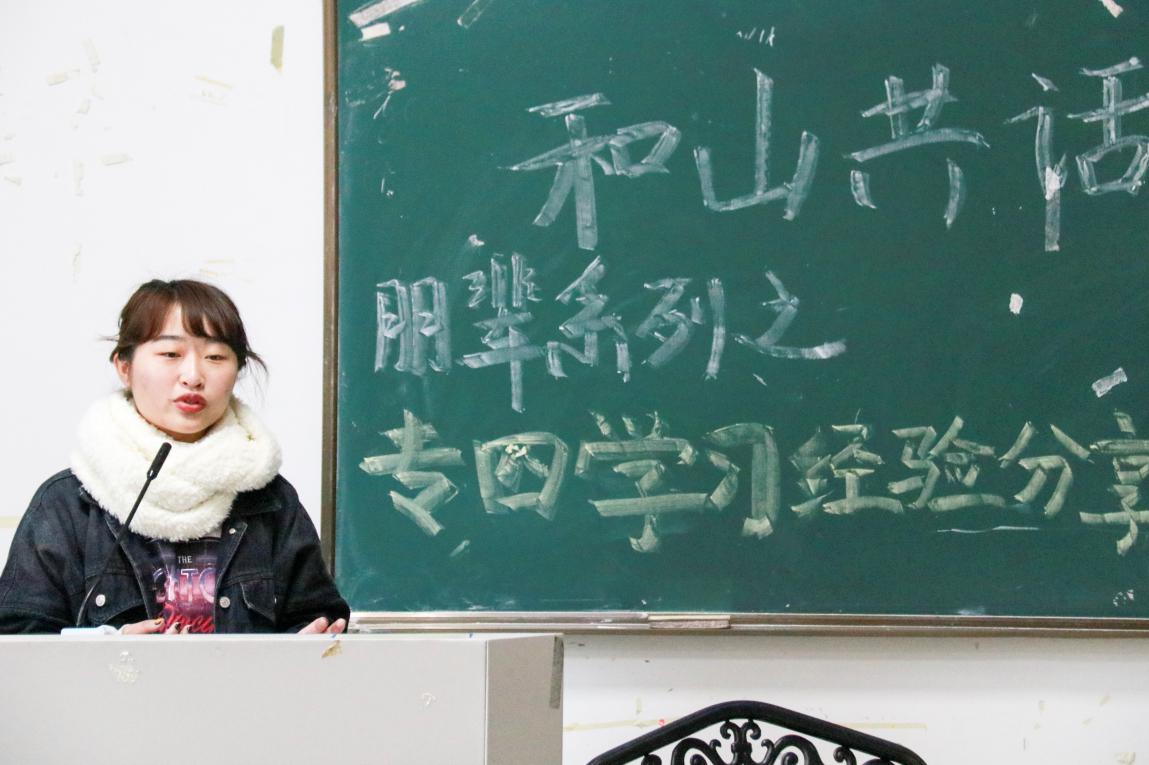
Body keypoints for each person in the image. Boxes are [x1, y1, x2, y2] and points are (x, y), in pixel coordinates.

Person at [0, 279, 349, 634]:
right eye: (170, 354)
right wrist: (106, 647)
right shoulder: (69, 504)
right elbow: (16, 638)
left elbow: (319, 618)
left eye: (215, 357)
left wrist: (311, 643)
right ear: (124, 367)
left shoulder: (270, 500)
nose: (193, 376)